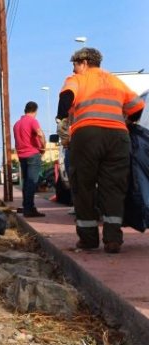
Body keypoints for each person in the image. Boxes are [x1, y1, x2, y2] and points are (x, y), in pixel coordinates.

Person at [57, 47, 145, 253]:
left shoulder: (78, 79)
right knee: (114, 187)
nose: (74, 68)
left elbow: (67, 96)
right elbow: (138, 107)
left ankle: (88, 239)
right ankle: (113, 240)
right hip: (118, 137)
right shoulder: (114, 81)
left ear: (84, 63)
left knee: (84, 185)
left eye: (75, 64)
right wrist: (127, 121)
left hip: (87, 135)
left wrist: (60, 117)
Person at [13, 101, 47, 218]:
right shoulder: (33, 121)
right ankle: (29, 209)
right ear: (35, 110)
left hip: (22, 156)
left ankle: (27, 207)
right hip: (33, 154)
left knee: (26, 182)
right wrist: (43, 146)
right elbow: (40, 134)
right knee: (32, 182)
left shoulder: (16, 124)